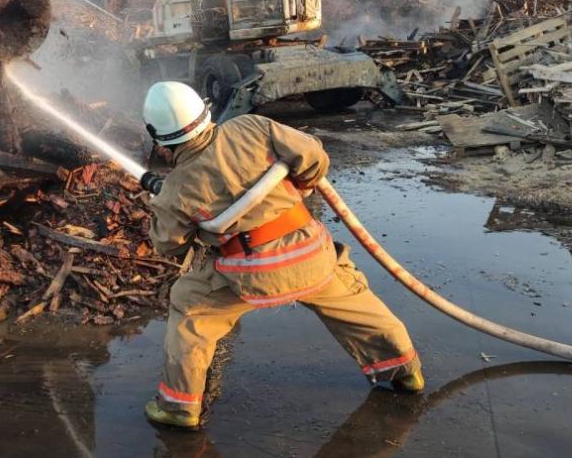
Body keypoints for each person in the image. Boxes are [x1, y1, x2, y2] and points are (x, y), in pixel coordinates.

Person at [140, 81, 423, 429]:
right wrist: (295, 188)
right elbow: (314, 156)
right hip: (309, 252)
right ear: (203, 110)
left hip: (247, 272)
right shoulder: (251, 126)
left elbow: (169, 244)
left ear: (158, 136)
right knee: (353, 298)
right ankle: (402, 369)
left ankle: (178, 407)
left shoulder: (176, 187)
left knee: (189, 309)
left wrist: (170, 208)